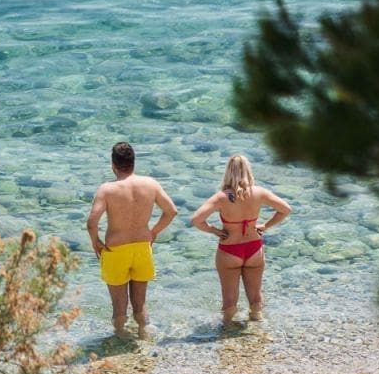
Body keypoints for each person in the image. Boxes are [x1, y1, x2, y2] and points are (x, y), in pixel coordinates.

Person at [86, 141, 178, 335]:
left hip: (116, 251)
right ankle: (144, 333)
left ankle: (119, 338)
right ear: (133, 162)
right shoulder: (151, 184)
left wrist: (95, 242)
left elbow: (92, 222)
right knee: (140, 304)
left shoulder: (107, 189)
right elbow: (171, 211)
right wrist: (154, 232)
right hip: (142, 247)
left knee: (119, 307)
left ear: (113, 165)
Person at [191, 152, 291, 324]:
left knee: (230, 300)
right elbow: (285, 209)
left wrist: (214, 230)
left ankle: (227, 328)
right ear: (248, 171)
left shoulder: (221, 197)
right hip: (254, 248)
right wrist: (265, 226)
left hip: (230, 250)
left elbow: (196, 220)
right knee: (255, 298)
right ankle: (257, 325)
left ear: (228, 172)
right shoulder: (259, 192)